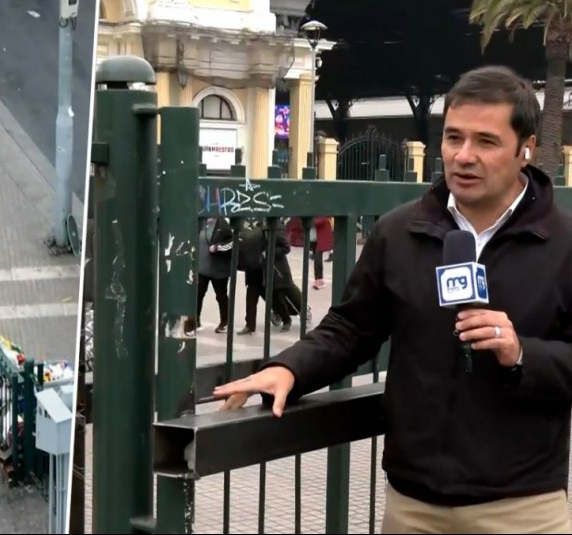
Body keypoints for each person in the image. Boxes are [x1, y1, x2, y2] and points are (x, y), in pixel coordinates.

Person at [214, 65, 572, 533]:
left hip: (522, 507)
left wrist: (521, 352)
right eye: (453, 138)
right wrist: (289, 368)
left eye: (486, 142)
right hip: (413, 505)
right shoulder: (401, 231)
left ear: (525, 149)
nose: (463, 156)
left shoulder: (564, 244)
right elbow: (350, 328)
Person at [195, 217, 234, 334]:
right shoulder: (200, 222)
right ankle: (196, 321)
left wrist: (218, 247)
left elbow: (232, 243)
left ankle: (225, 322)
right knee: (198, 294)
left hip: (219, 270)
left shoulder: (223, 225)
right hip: (203, 268)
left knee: (221, 296)